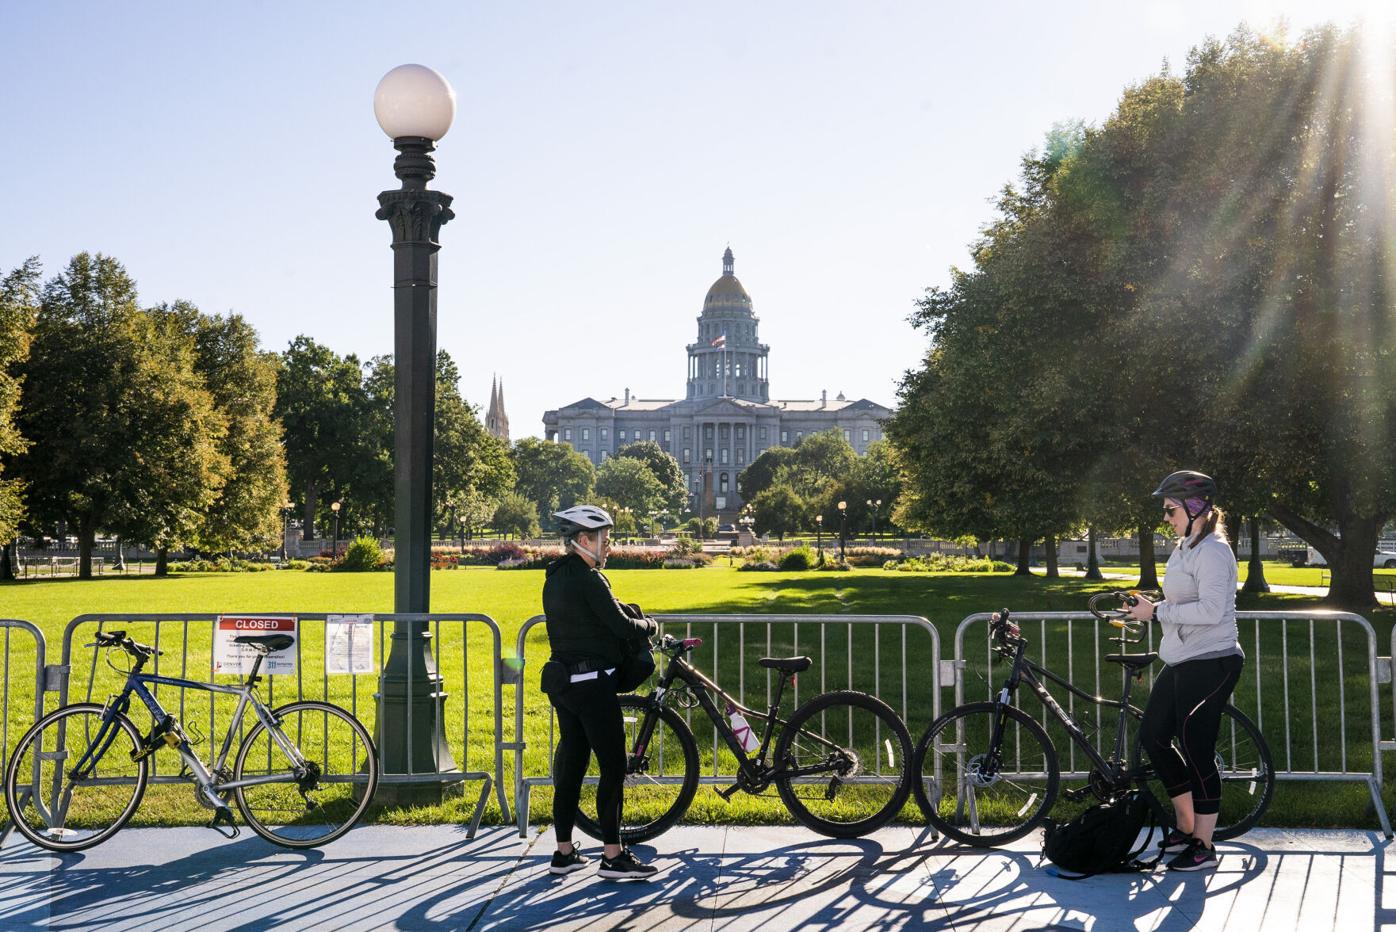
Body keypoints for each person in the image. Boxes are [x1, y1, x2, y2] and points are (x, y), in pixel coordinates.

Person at [1124, 470, 1243, 872]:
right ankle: (1186, 825)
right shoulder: (1186, 545)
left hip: (1213, 660)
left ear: (1196, 508)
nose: (1166, 517)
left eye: (1170, 509)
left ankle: (1205, 847)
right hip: (1181, 658)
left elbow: (1211, 610)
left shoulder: (1213, 551)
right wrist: (1149, 605)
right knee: (1154, 736)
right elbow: (1183, 597)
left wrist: (1156, 611)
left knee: (1196, 750)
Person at [541, 504, 660, 881]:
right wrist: (651, 626)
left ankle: (563, 853)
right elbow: (623, 626)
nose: (609, 547)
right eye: (605, 540)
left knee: (572, 767)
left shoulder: (555, 576)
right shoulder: (590, 580)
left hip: (565, 685)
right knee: (612, 767)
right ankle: (612, 856)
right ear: (583, 540)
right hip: (594, 685)